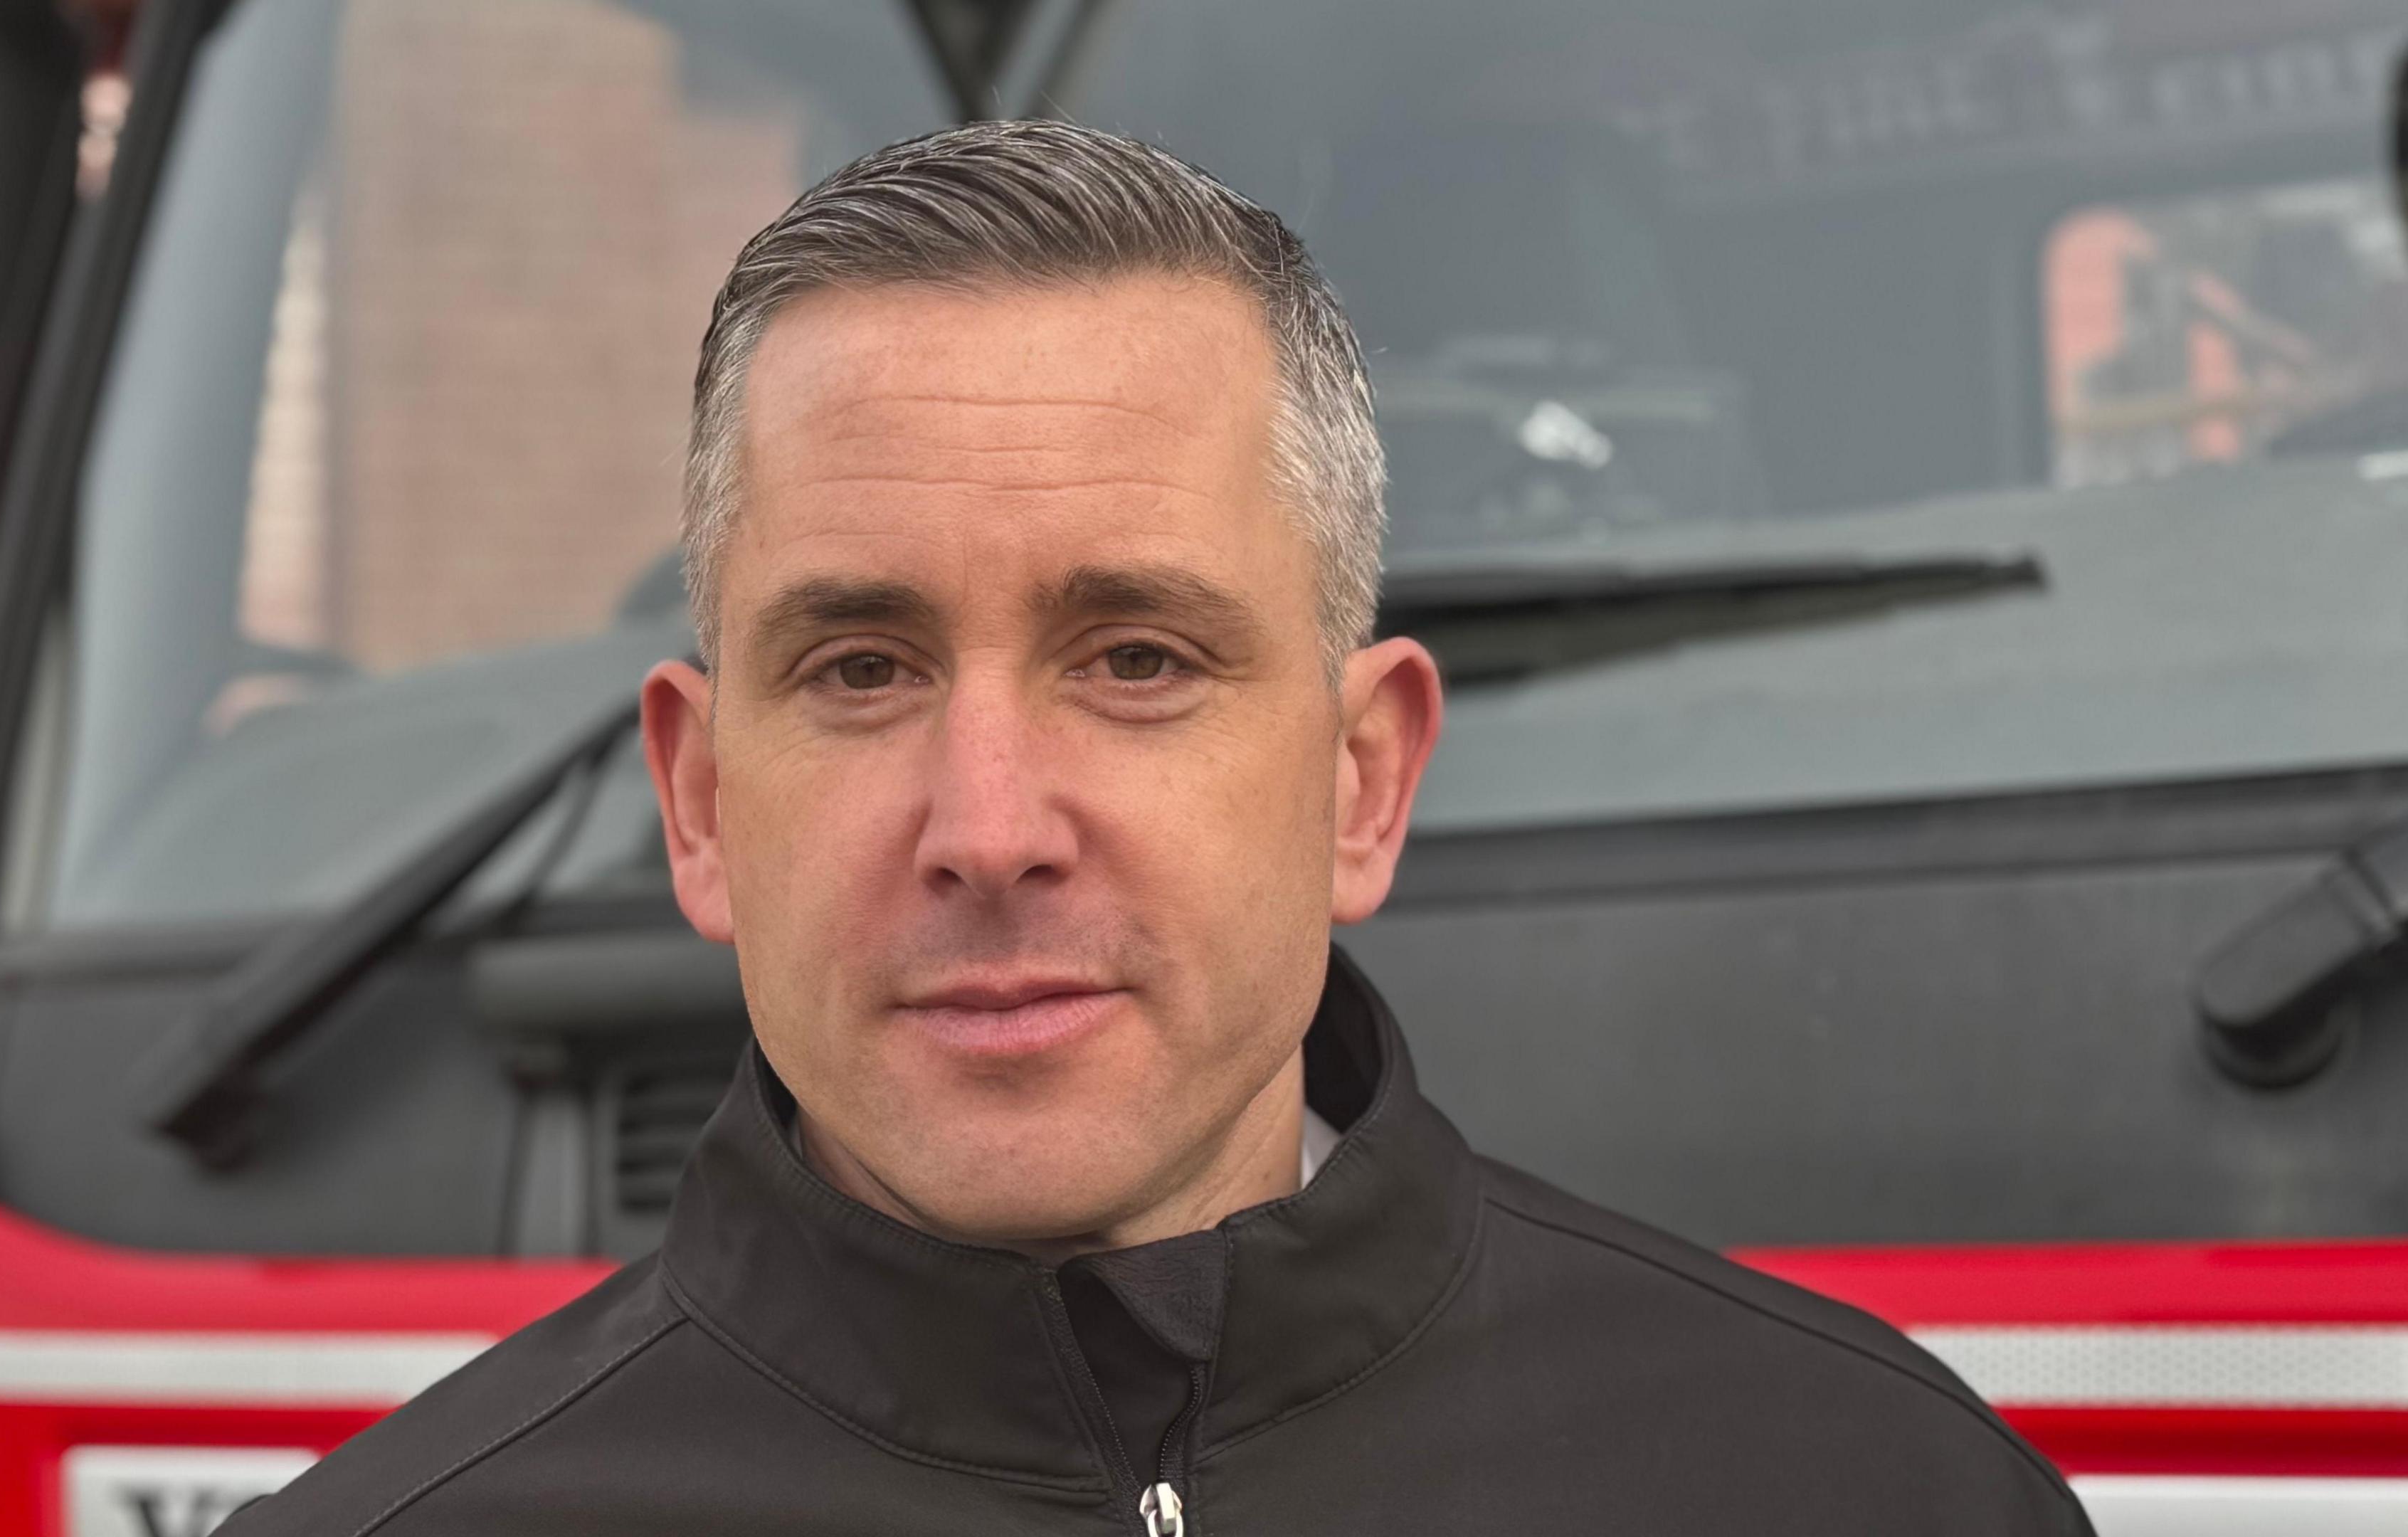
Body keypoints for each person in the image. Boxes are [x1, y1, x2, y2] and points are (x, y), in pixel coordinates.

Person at [225, 120, 2091, 1536]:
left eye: (1134, 657)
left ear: (1364, 779)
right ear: (701, 805)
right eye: (863, 668)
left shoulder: (1869, 1493)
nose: (989, 825)